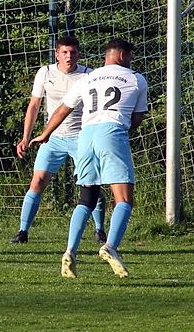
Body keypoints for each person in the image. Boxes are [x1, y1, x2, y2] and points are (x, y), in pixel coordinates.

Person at [29, 39, 148, 279]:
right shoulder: (136, 78)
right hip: (111, 132)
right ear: (122, 56)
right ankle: (110, 246)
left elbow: (63, 109)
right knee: (124, 199)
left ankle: (70, 251)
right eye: (130, 57)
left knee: (87, 198)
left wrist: (45, 134)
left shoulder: (87, 78)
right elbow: (136, 119)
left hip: (85, 137)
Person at [12, 37, 106, 244]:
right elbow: (34, 106)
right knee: (37, 181)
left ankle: (100, 230)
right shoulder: (45, 73)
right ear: (57, 54)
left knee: (90, 183)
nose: (69, 56)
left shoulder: (89, 75)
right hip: (52, 138)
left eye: (73, 52)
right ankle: (22, 231)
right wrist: (25, 137)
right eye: (64, 52)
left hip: (81, 137)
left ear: (78, 54)